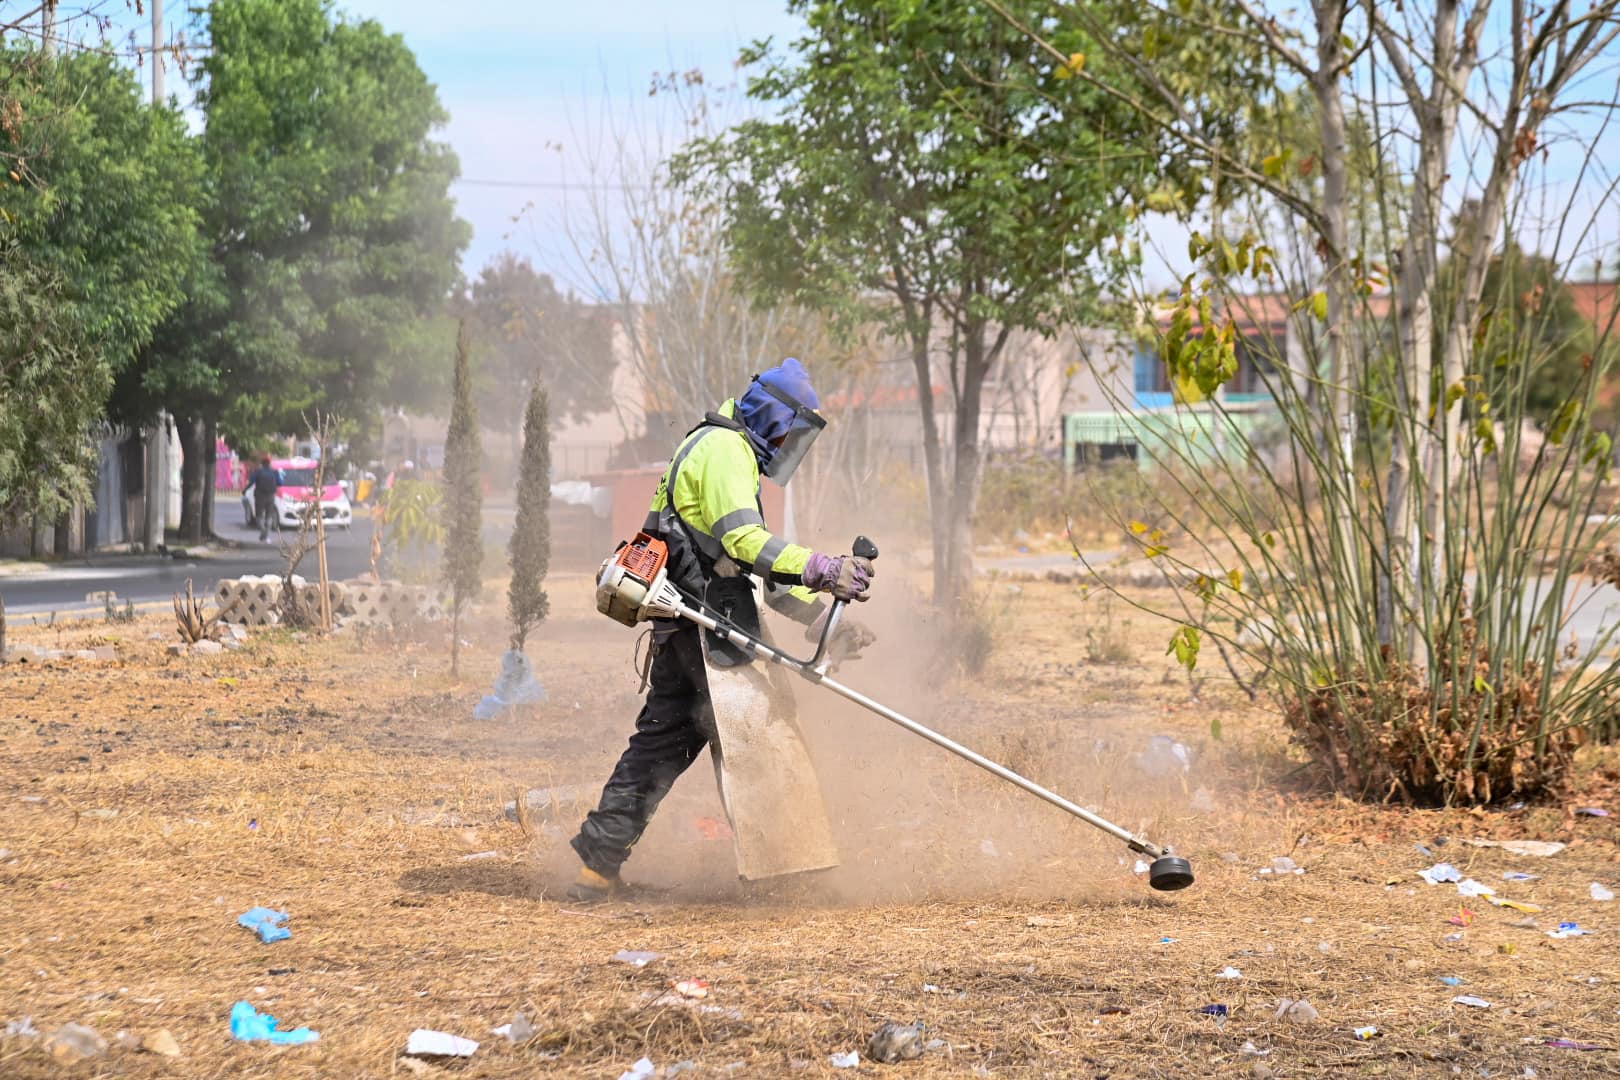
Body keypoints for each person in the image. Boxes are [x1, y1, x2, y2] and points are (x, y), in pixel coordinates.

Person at [568, 358, 876, 901]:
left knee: (662, 743)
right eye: (789, 429)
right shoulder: (723, 450)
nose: (786, 443)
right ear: (772, 413)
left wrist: (821, 619)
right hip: (707, 627)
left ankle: (597, 865)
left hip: (692, 621)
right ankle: (788, 878)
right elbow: (747, 545)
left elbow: (759, 572)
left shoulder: (720, 448)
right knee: (764, 738)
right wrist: (824, 568)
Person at [249, 455, 282, 542]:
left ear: (262, 463)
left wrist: (245, 490)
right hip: (271, 496)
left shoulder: (258, 471)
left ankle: (263, 531)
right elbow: (280, 483)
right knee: (269, 516)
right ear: (269, 463)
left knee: (259, 516)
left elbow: (251, 481)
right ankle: (265, 534)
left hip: (260, 496)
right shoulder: (274, 472)